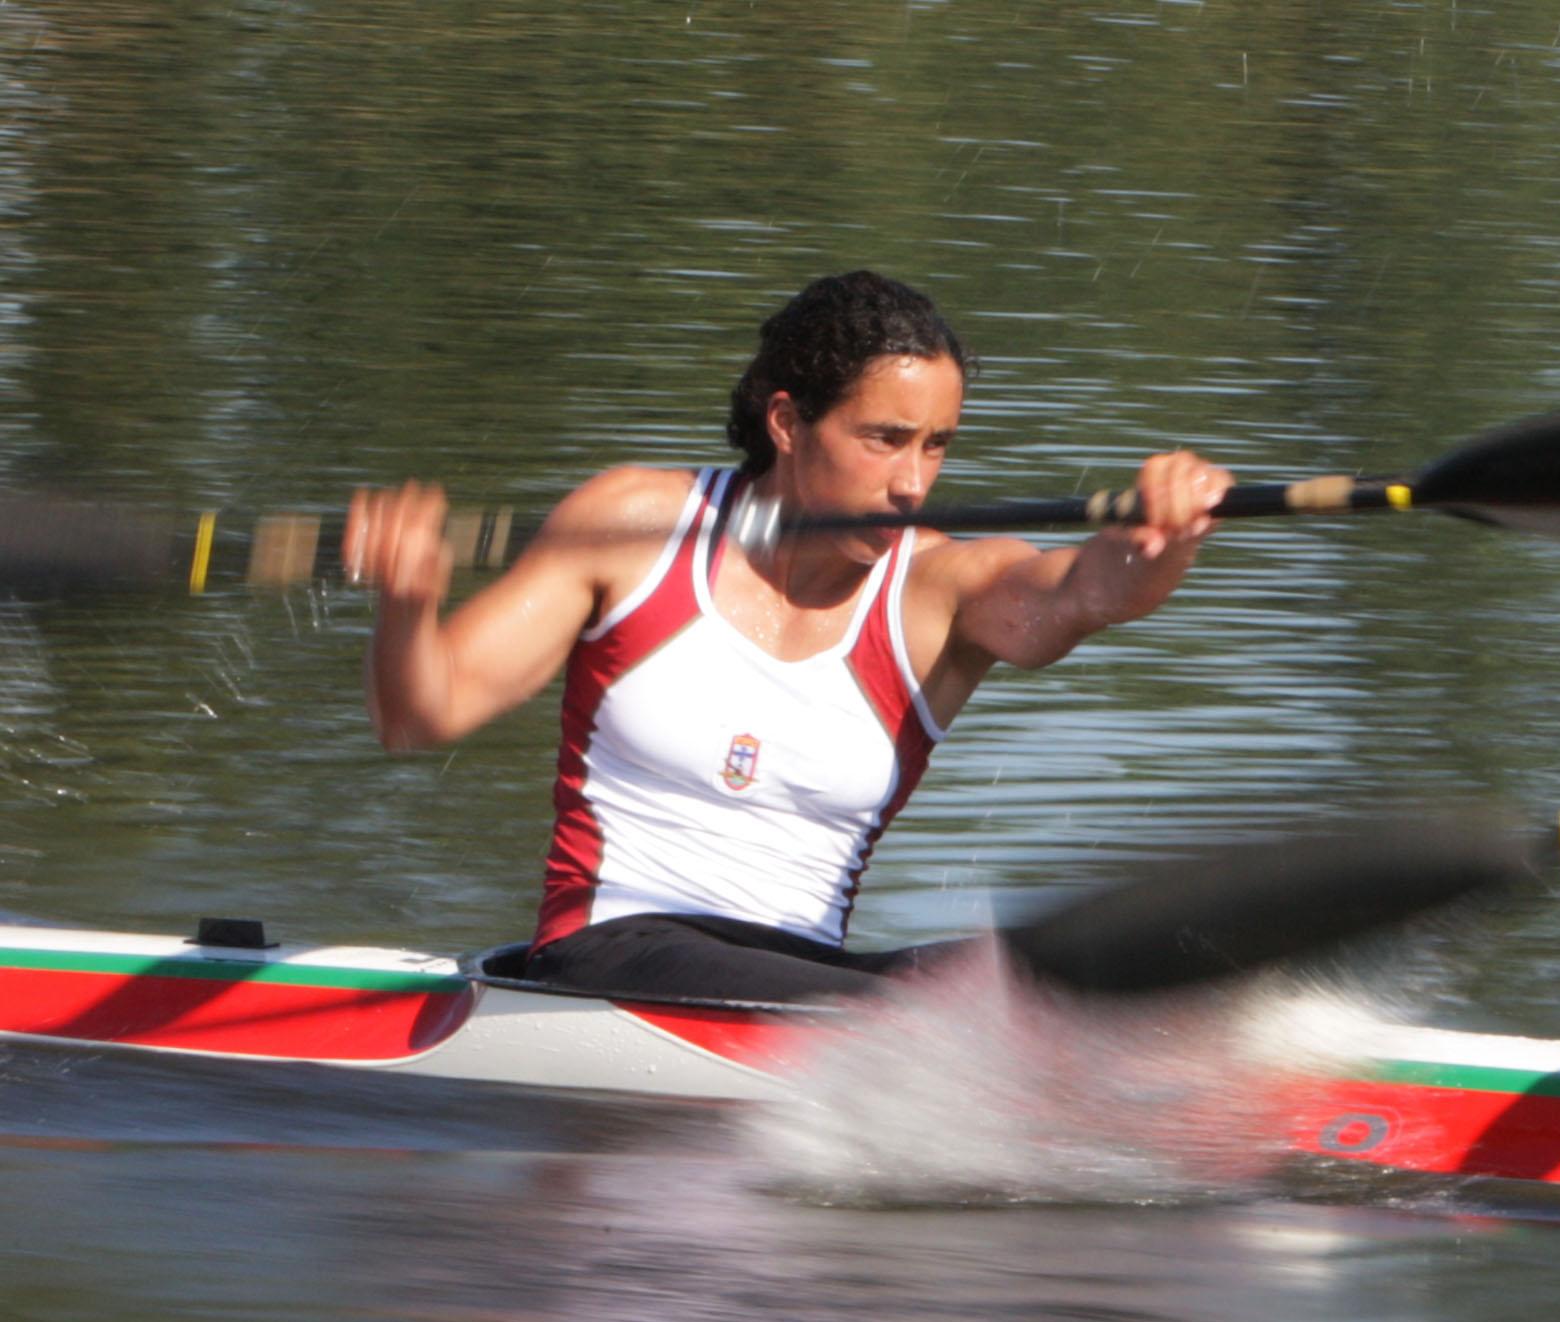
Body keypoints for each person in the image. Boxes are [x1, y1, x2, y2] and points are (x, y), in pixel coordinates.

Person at [342, 269, 1232, 1004]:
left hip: (801, 978)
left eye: (936, 446)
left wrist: (1157, 542)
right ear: (786, 423)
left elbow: (1084, 593)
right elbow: (421, 713)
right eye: (884, 440)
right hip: (607, 957)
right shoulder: (633, 528)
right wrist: (409, 605)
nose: (911, 482)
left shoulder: (935, 591)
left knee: (1041, 979)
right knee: (946, 1015)